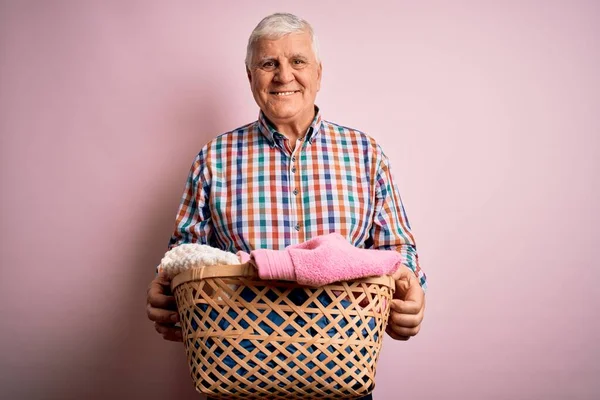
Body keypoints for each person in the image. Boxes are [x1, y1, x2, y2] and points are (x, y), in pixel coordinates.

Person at [146, 12, 427, 399]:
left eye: (297, 61)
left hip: (342, 377)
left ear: (318, 72)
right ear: (250, 77)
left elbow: (398, 252)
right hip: (238, 377)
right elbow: (185, 256)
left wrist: (411, 289)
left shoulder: (365, 153)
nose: (283, 76)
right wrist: (166, 288)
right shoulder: (215, 158)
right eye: (268, 63)